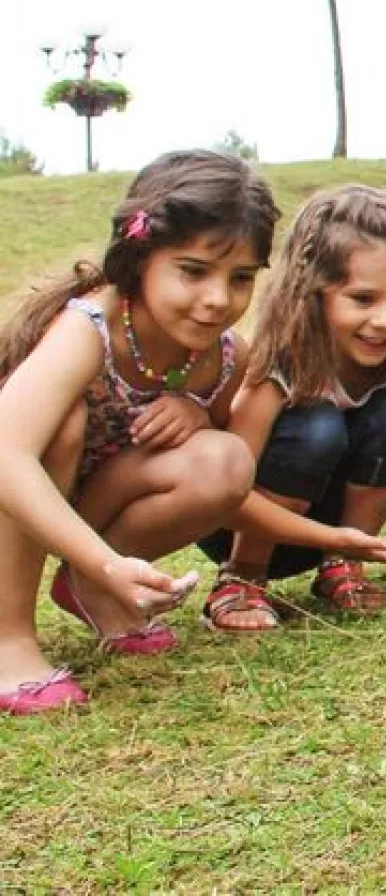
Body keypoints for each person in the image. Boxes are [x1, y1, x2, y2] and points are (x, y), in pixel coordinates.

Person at [0, 150, 279, 714]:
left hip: (84, 508)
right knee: (60, 425)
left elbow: (218, 479)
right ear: (140, 257)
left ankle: (92, 592)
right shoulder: (89, 328)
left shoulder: (223, 358)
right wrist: (105, 558)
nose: (218, 300)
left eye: (241, 277)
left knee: (223, 459)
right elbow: (6, 452)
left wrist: (199, 415)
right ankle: (8, 639)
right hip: (14, 493)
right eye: (193, 271)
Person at [197, 186, 386, 632]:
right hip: (244, 526)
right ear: (314, 293)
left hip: (335, 531)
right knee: (317, 426)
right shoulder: (274, 374)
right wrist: (327, 534)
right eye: (363, 299)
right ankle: (241, 577)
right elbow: (224, 492)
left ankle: (344, 568)